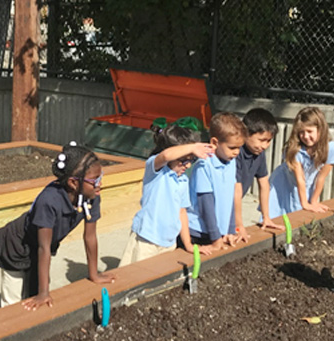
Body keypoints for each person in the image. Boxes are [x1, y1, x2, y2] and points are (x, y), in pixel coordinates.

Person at [0, 142, 116, 310]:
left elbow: (90, 236)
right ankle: (6, 330)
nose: (99, 183)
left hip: (38, 249)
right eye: (94, 180)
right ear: (73, 183)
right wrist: (43, 293)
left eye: (101, 177)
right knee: (13, 302)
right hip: (15, 248)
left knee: (36, 294)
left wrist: (94, 274)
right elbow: (44, 248)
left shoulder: (91, 196)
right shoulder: (49, 200)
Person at [119, 122, 215, 266]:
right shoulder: (156, 170)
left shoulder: (183, 179)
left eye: (191, 160)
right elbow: (165, 155)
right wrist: (193, 147)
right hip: (146, 240)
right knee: (133, 278)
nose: (188, 165)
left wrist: (188, 244)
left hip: (169, 242)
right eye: (183, 160)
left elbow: (182, 211)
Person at [186, 112, 248, 252]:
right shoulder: (204, 166)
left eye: (239, 147)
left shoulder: (231, 162)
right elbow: (205, 205)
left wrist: (231, 230)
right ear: (214, 143)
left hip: (217, 232)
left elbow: (230, 198)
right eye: (232, 147)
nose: (237, 152)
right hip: (199, 232)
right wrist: (215, 238)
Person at [267, 106, 334, 218]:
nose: (305, 136)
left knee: (304, 213)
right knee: (286, 214)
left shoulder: (332, 149)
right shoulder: (295, 150)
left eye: (309, 131)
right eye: (301, 132)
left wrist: (314, 201)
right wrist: (305, 203)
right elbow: (300, 179)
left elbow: (321, 177)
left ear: (320, 129)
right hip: (285, 182)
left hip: (307, 183)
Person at [232, 108, 284, 242]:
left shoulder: (259, 154)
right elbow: (236, 191)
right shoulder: (235, 153)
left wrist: (266, 217)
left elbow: (264, 184)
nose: (265, 145)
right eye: (261, 140)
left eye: (268, 141)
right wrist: (239, 226)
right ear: (246, 134)